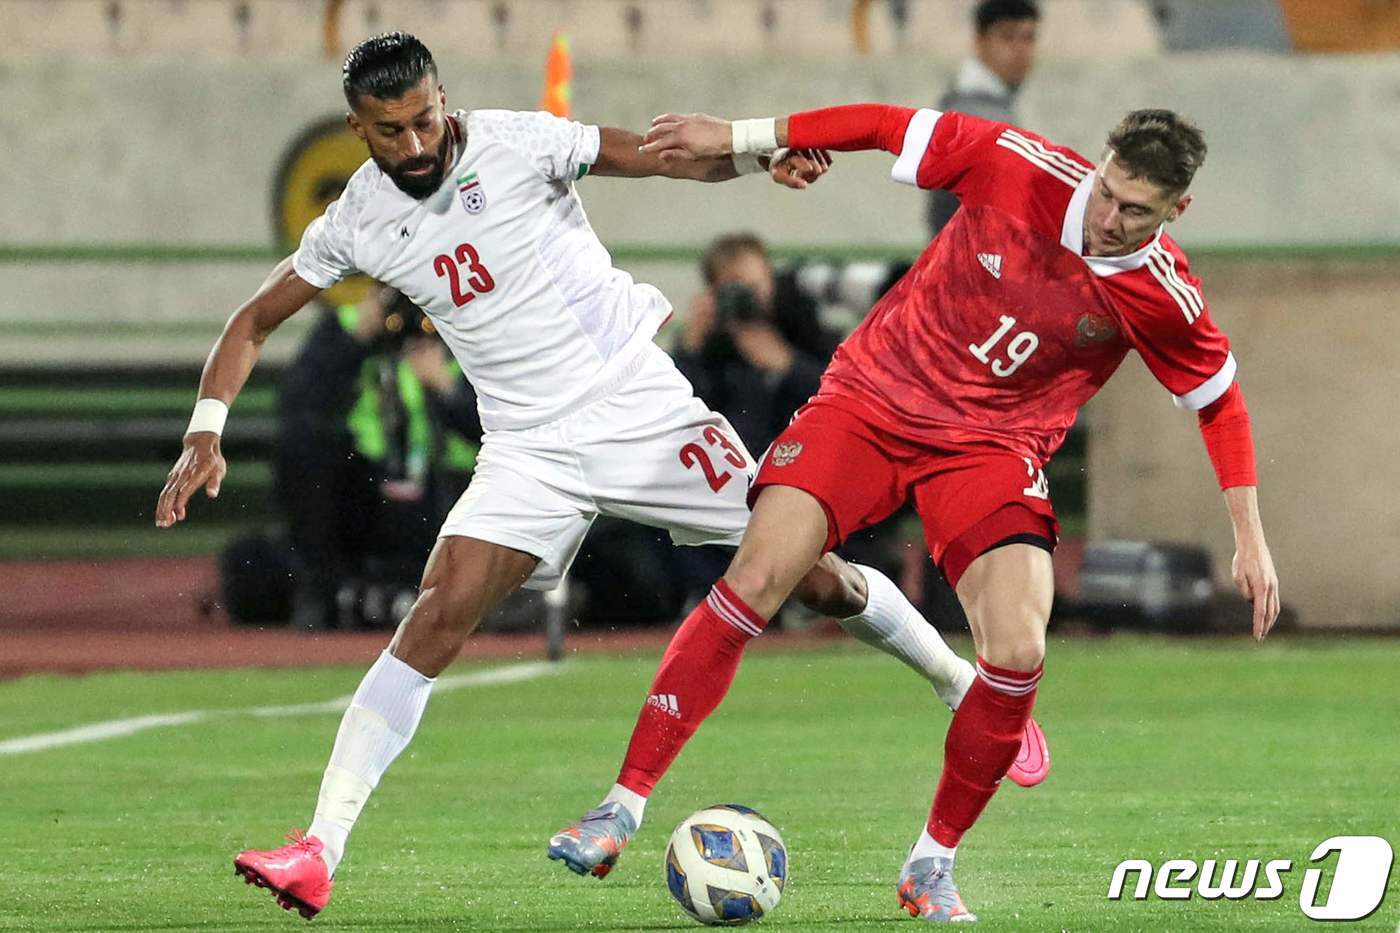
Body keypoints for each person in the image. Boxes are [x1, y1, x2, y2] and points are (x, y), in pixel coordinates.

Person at [152, 33, 1046, 920]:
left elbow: (655, 156)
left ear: (443, 98)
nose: (416, 145)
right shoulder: (356, 218)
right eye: (391, 132)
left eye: (425, 119)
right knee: (437, 611)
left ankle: (951, 678)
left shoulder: (516, 142)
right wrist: (206, 427)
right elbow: (251, 321)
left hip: (637, 405)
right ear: (359, 127)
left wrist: (759, 153)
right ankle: (318, 848)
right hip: (527, 448)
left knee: (809, 576)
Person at [549, 105, 1281, 922]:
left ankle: (931, 864)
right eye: (1107, 191)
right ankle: (619, 806)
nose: (1108, 218)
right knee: (755, 576)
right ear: (1100, 164)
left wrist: (1249, 538)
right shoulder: (1017, 165)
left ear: (1176, 210)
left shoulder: (1162, 294)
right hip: (871, 399)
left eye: (1135, 210)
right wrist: (742, 139)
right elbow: (883, 123)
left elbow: (1220, 405)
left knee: (1017, 647)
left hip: (991, 448)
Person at [275, 283, 483, 629]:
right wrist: (355, 341)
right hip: (367, 490)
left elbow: (499, 427)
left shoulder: (467, 339)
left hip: (443, 491)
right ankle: (325, 589)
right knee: (304, 450)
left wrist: (447, 391)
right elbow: (297, 403)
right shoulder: (344, 327)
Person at [927, 0, 1039, 238]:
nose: (1020, 49)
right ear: (980, 42)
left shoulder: (977, 104)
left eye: (1028, 38)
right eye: (1008, 37)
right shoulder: (977, 115)